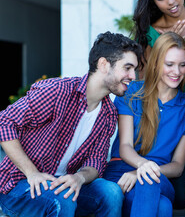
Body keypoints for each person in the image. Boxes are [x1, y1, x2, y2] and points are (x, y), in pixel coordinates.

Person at [0, 32, 142, 217]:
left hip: (63, 184)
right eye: (128, 68)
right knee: (63, 197)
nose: (132, 76)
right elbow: (5, 122)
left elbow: (96, 162)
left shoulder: (108, 114)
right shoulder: (57, 91)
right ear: (104, 64)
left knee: (111, 192)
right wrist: (32, 173)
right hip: (20, 185)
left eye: (134, 69)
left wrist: (79, 177)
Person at [103, 32, 185, 217]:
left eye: (182, 65)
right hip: (122, 171)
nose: (177, 72)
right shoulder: (132, 92)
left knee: (148, 181)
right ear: (156, 63)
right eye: (170, 64)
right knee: (163, 208)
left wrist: (142, 172)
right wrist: (141, 166)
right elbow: (125, 146)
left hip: (161, 176)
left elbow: (177, 166)